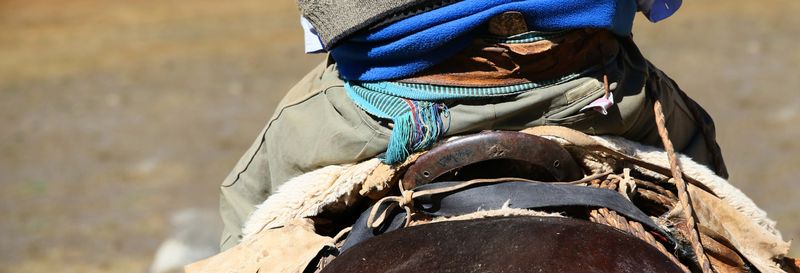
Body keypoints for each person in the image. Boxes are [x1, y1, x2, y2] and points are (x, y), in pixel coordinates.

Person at [218, 0, 728, 251]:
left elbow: (320, 22)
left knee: (249, 210)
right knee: (705, 190)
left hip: (390, 109)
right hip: (585, 90)